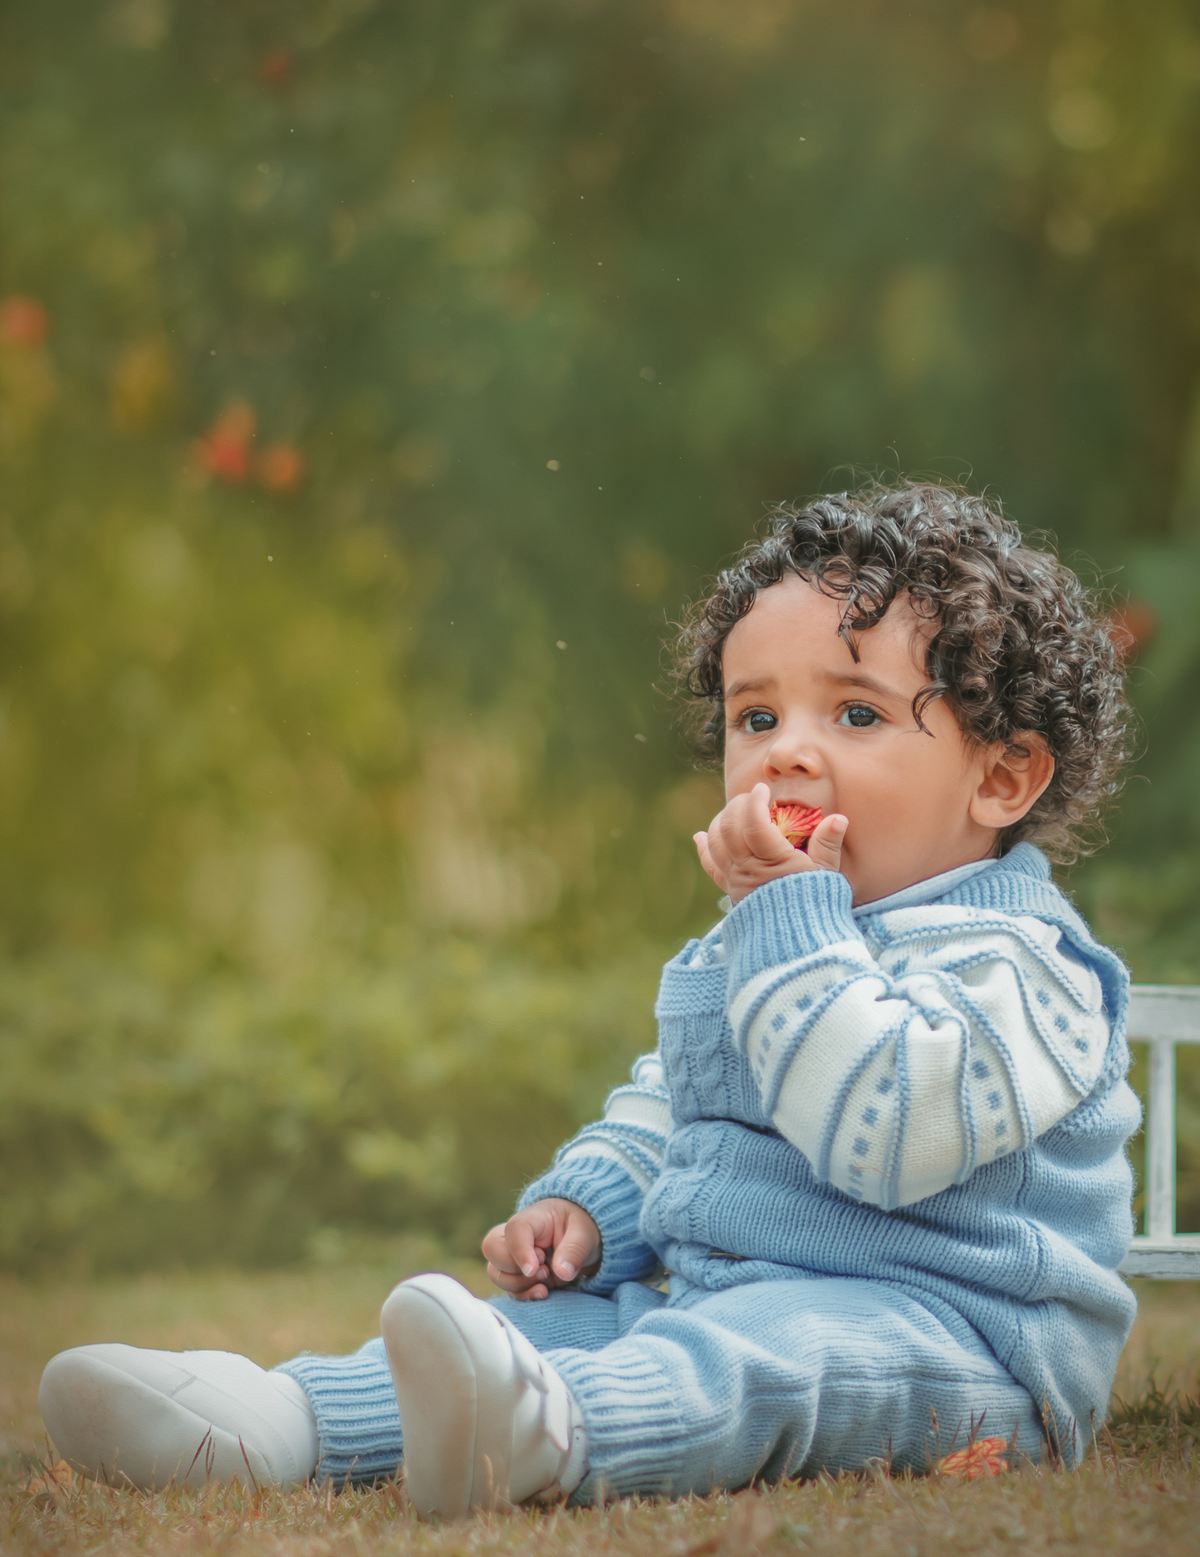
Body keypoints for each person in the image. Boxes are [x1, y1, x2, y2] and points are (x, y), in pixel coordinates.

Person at [39, 483, 1141, 1515]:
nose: (784, 754)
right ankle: (283, 1420)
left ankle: (556, 1436)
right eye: (755, 718)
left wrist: (785, 922)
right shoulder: (767, 936)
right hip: (722, 1296)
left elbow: (888, 1134)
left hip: (965, 1341)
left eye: (855, 715)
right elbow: (678, 1109)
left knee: (770, 1355)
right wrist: (590, 1209)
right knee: (568, 1321)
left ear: (1002, 775)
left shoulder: (1025, 965)